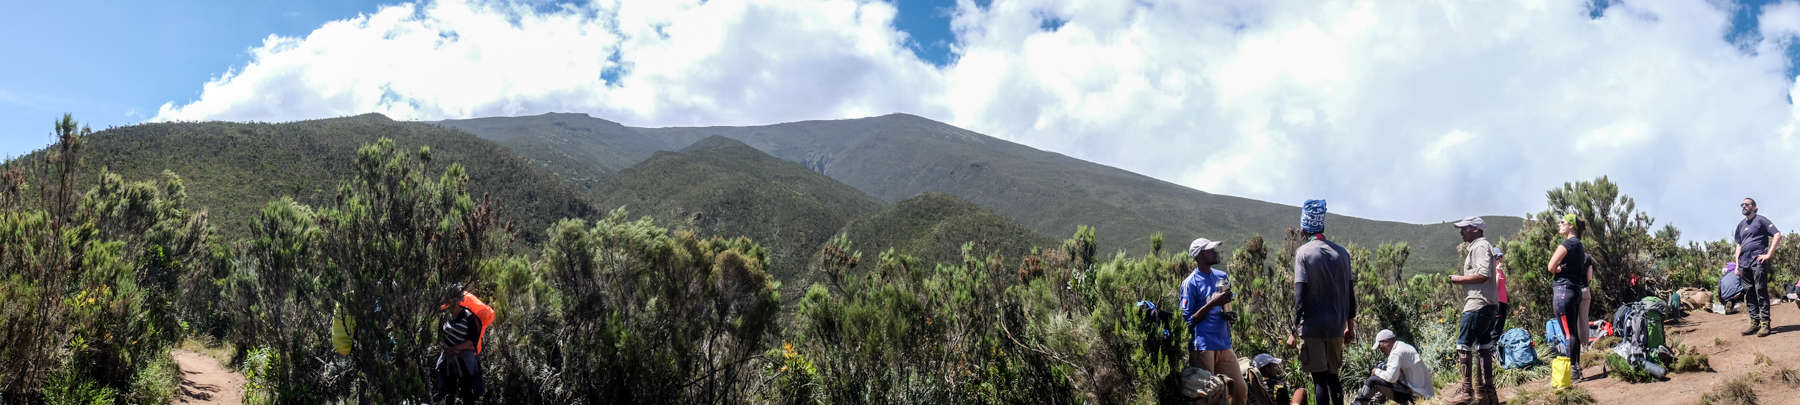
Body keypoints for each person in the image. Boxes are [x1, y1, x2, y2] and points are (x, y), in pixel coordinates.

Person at [1286, 199, 1355, 405]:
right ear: (1322, 225)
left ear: (1304, 229)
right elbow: (1351, 296)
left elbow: (1300, 297)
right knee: (1334, 378)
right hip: (1336, 327)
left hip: (1313, 328)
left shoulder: (1304, 253)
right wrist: (1350, 328)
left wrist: (1292, 332)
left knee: (1319, 380)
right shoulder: (1342, 253)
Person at [1182, 237, 1247, 405]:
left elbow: (1225, 305)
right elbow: (1188, 320)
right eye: (1210, 250)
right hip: (1203, 346)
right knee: (1208, 396)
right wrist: (1213, 303)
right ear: (1200, 256)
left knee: (1239, 388)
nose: (1215, 252)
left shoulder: (1221, 276)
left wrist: (1229, 315)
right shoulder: (1190, 283)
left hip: (1224, 343)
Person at [1444, 217, 1498, 405]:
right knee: (1484, 347)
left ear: (1475, 229)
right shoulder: (1483, 246)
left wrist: (1459, 279)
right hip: (1489, 305)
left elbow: (1484, 274)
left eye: (1464, 228)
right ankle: (1487, 395)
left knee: (1463, 345)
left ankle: (1467, 393)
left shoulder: (1480, 247)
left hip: (1477, 304)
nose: (1461, 232)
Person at [1544, 214, 1588, 382]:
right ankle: (1576, 369)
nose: (1559, 224)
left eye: (1562, 222)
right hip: (1574, 291)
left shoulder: (1568, 243)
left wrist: (1558, 270)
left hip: (1563, 291)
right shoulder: (1579, 245)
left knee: (1568, 333)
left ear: (1571, 225)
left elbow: (1551, 266)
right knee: (1572, 332)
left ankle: (1572, 372)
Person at [434, 285, 492, 404]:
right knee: (448, 392)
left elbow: (472, 343)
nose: (452, 301)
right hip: (448, 358)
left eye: (455, 298)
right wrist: (446, 348)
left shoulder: (469, 317)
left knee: (467, 393)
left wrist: (455, 349)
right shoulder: (445, 316)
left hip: (465, 361)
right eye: (450, 298)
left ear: (459, 299)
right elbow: (440, 337)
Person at [1734, 198, 1783, 337]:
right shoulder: (1740, 225)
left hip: (1757, 261)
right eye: (1742, 204)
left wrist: (1768, 255)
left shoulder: (1761, 220)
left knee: (1760, 291)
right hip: (1744, 264)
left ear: (1754, 207)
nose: (1744, 206)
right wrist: (1737, 264)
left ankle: (1765, 324)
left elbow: (1777, 234)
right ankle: (1754, 323)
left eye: (1747, 204)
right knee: (1749, 293)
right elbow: (1739, 245)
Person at [1353, 330, 1435, 404]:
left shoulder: (1396, 353)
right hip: (1424, 391)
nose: (1380, 350)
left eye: (1380, 346)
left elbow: (1391, 378)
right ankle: (1374, 400)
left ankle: (1358, 403)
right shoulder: (1403, 346)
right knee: (1381, 367)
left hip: (1414, 396)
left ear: (1386, 342)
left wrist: (1376, 372)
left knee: (1372, 381)